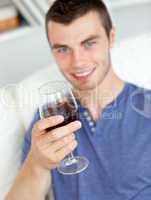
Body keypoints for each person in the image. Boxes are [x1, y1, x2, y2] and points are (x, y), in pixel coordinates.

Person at [6, 0, 151, 199]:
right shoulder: (47, 123)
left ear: (111, 38)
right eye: (63, 49)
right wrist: (37, 164)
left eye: (89, 43)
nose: (78, 62)